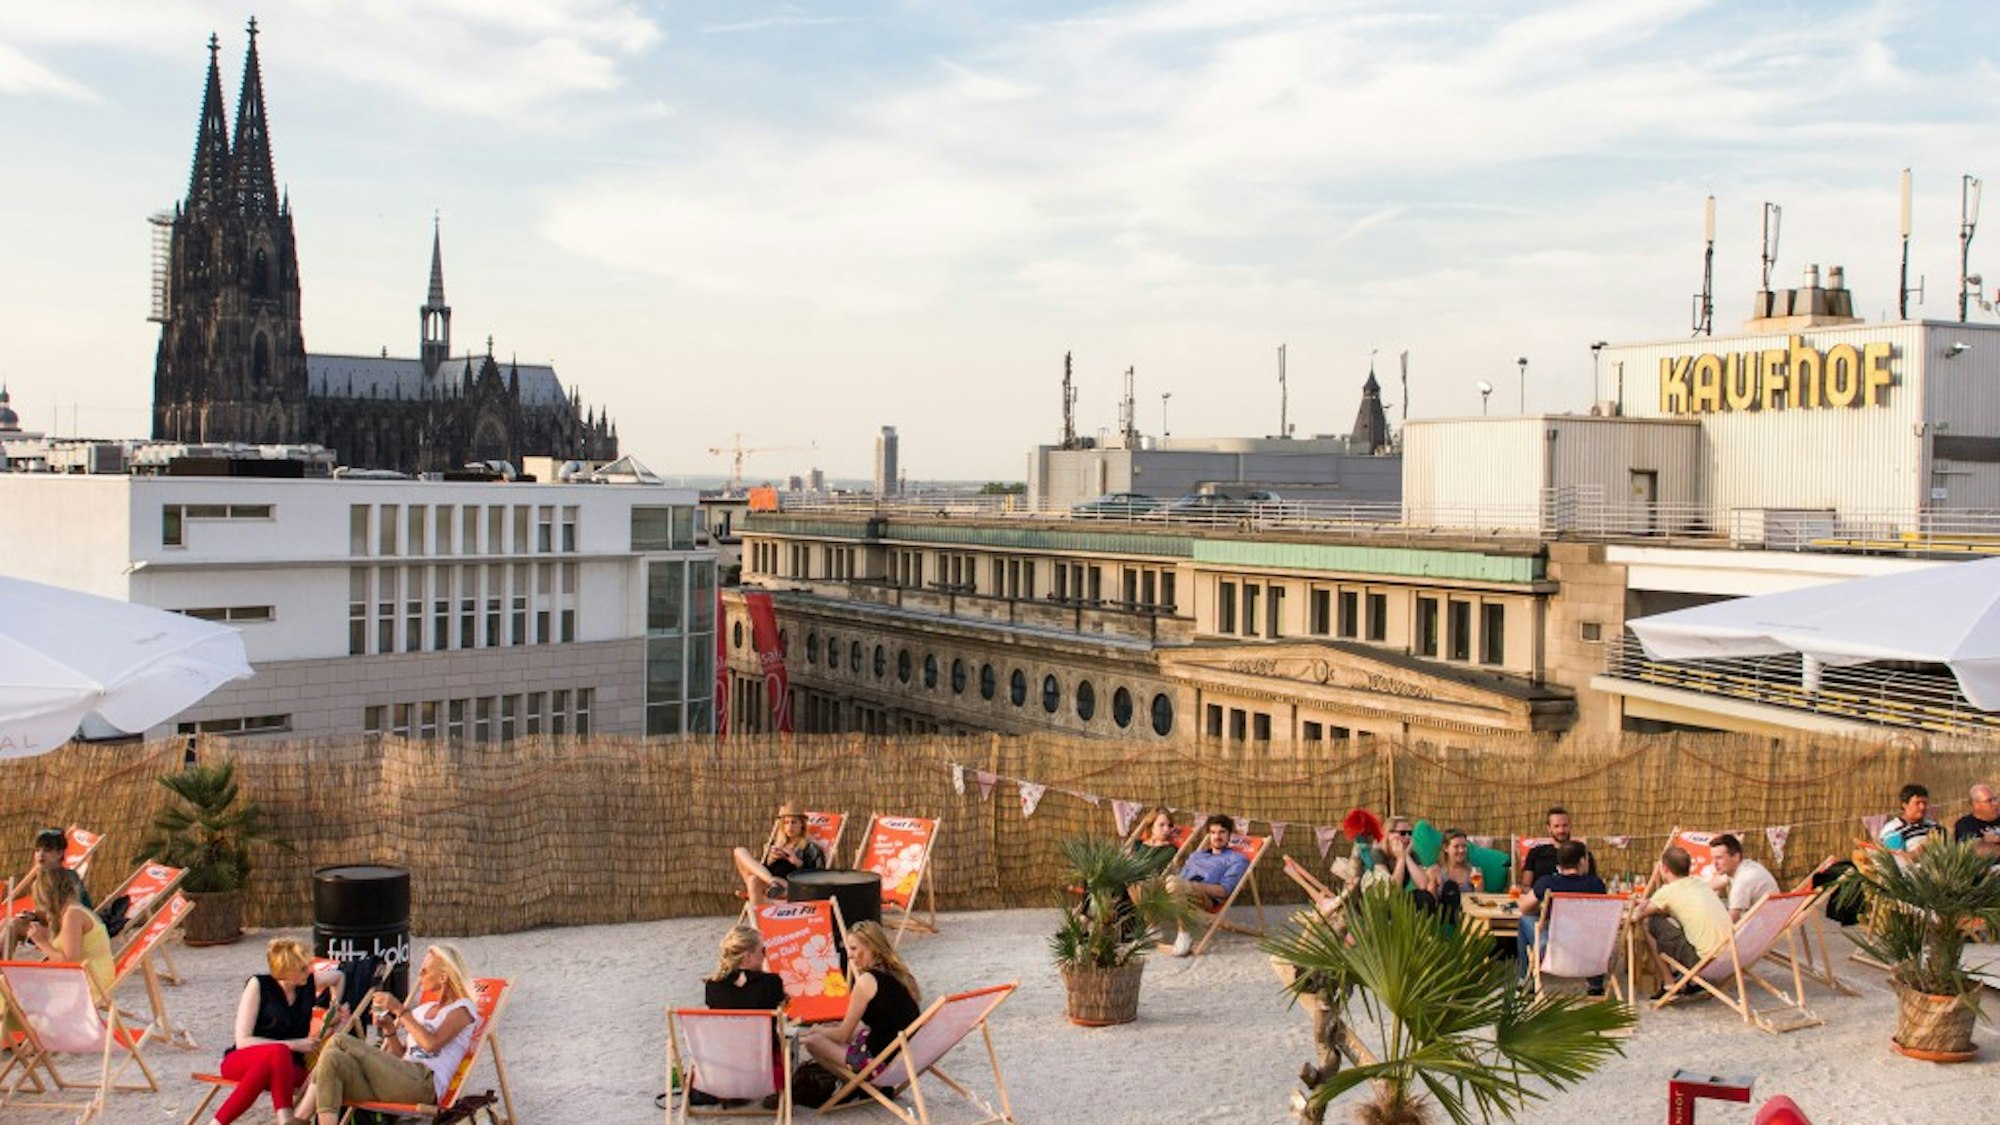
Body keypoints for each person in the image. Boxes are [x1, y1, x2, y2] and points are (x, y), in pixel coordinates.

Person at [300, 945, 479, 1125]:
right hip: (399, 1080)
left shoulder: (463, 1009)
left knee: (339, 1040)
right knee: (332, 1059)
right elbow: (400, 1055)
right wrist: (389, 1030)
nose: (420, 975)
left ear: (443, 977)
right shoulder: (421, 1010)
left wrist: (399, 1009)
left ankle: (299, 1118)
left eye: (424, 971)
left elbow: (432, 1044)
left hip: (425, 1084)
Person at [207, 938, 344, 1125]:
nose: (309, 971)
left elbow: (339, 977)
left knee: (266, 1067)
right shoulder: (258, 986)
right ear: (286, 971)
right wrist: (293, 1044)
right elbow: (242, 1041)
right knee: (279, 1051)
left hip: (290, 1068)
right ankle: (285, 1118)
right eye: (302, 968)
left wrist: (334, 1007)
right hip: (245, 1058)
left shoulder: (308, 983)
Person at [801, 920, 920, 1084]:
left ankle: (856, 1086)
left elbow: (842, 1035)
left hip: (880, 1062)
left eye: (854, 949)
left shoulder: (867, 981)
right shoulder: (899, 974)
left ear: (872, 947)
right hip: (905, 1057)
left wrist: (816, 1029)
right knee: (843, 1027)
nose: (849, 955)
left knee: (812, 1041)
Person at [692, 925, 785, 1109]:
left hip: (723, 1069)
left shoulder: (713, 986)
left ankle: (734, 1093)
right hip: (762, 1070)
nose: (765, 955)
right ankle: (773, 1091)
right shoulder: (772, 983)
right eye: (762, 951)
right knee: (786, 1040)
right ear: (747, 956)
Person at [1635, 846, 1732, 999]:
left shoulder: (1667, 891)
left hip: (1704, 962)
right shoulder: (1699, 883)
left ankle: (1669, 983)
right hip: (1729, 958)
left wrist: (1639, 905)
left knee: (1649, 922)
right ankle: (1691, 982)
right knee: (1681, 920)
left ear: (1665, 868)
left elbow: (1637, 917)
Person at [1515, 841, 1608, 991]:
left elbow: (1523, 907)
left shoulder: (1547, 883)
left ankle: (1525, 979)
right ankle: (1595, 984)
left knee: (1525, 920)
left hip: (1555, 949)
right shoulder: (1596, 885)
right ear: (1582, 861)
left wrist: (1541, 911)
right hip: (1589, 950)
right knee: (1593, 935)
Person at [19, 867, 112, 1000]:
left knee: (13, 989)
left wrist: (41, 942)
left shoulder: (72, 914)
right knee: (14, 985)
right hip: (91, 977)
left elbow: (71, 963)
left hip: (89, 983)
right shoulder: (72, 912)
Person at [1166, 815, 1250, 956]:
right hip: (1178, 890)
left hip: (1204, 897)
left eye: (1222, 832)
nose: (1217, 836)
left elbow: (1224, 891)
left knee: (1174, 884)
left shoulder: (1236, 859)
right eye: (1213, 832)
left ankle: (1184, 934)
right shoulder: (1196, 855)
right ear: (1209, 835)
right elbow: (1180, 878)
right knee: (1140, 886)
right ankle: (1150, 931)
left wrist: (1193, 886)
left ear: (1230, 835)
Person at [732, 803, 827, 907]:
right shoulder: (776, 844)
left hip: (790, 886)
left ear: (802, 825)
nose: (790, 826)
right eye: (786, 823)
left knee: (753, 881)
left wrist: (797, 861)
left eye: (793, 822)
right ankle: (771, 881)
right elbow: (764, 868)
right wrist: (770, 859)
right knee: (739, 850)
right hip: (770, 882)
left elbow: (818, 876)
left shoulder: (810, 848)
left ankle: (758, 919)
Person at [8, 828, 88, 947]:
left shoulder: (68, 879)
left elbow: (69, 916)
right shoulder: (41, 879)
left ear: (60, 853)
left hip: (72, 933)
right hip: (54, 927)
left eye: (47, 850)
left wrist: (37, 918)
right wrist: (34, 916)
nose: (41, 854)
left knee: (13, 925)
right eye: (37, 850)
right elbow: (49, 914)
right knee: (7, 923)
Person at [1710, 834, 1778, 923]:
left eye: (1719, 858)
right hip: (1773, 915)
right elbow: (1715, 883)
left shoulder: (1743, 880)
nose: (1714, 863)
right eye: (1713, 858)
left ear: (1736, 857)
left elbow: (1730, 922)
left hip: (1762, 925)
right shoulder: (1745, 866)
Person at [1519, 806, 1594, 886]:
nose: (1561, 830)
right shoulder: (1536, 853)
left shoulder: (1582, 852)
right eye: (1556, 826)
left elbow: (1592, 883)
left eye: (1565, 825)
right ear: (1549, 828)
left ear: (1570, 826)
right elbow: (1526, 885)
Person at [1376, 816, 1440, 910]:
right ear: (1389, 835)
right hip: (1380, 901)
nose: (1407, 837)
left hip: (1398, 899)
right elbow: (1392, 889)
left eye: (1410, 833)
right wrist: (1401, 859)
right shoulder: (1378, 853)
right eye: (1402, 833)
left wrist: (1406, 856)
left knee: (1425, 898)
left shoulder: (1411, 854)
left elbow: (1423, 885)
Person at [1427, 829, 1478, 922]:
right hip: (1443, 917)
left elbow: (1480, 899)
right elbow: (1431, 902)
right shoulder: (1435, 871)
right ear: (1446, 848)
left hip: (1467, 916)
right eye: (1456, 846)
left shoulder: (1474, 872)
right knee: (1450, 887)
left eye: (1464, 846)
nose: (1461, 850)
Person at [1879, 783, 1943, 856]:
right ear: (1904, 805)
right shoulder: (1893, 830)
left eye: (1924, 803)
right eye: (1917, 803)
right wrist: (1925, 846)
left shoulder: (1934, 827)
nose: (1922, 807)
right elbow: (1899, 861)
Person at [1952, 783, 2000, 861]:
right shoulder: (1965, 825)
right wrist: (1984, 842)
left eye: (1995, 799)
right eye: (1989, 801)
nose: (1996, 804)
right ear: (1976, 805)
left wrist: (1988, 843)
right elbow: (1976, 852)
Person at [1128, 807, 1180, 877]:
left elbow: (1150, 868)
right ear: (1152, 826)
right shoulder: (1138, 844)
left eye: (1170, 825)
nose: (1167, 829)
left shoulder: (1170, 850)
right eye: (1162, 825)